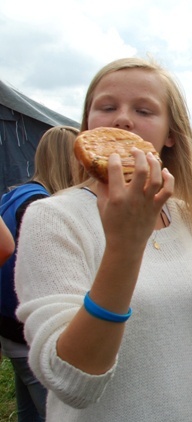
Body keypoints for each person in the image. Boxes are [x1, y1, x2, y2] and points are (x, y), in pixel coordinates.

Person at [13, 57, 192, 421]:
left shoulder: (183, 215)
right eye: (107, 107)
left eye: (144, 109)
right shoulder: (52, 218)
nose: (123, 119)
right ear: (87, 126)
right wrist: (125, 247)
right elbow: (71, 382)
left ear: (170, 134)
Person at [1, 125, 81, 422]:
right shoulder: (42, 208)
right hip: (30, 333)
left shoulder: (16, 195)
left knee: (27, 411)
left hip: (10, 326)